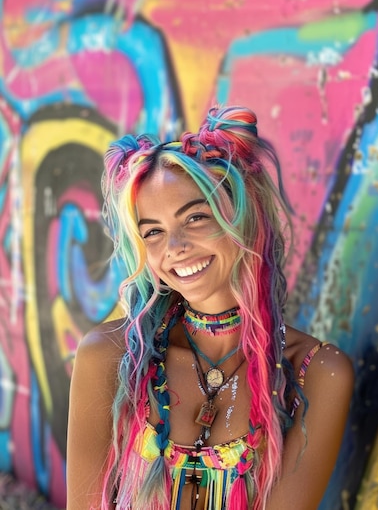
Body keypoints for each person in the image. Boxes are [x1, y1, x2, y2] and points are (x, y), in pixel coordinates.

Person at [66, 105, 354, 510]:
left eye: (197, 217)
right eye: (153, 232)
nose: (175, 247)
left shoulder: (315, 375)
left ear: (246, 217)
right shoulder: (110, 358)